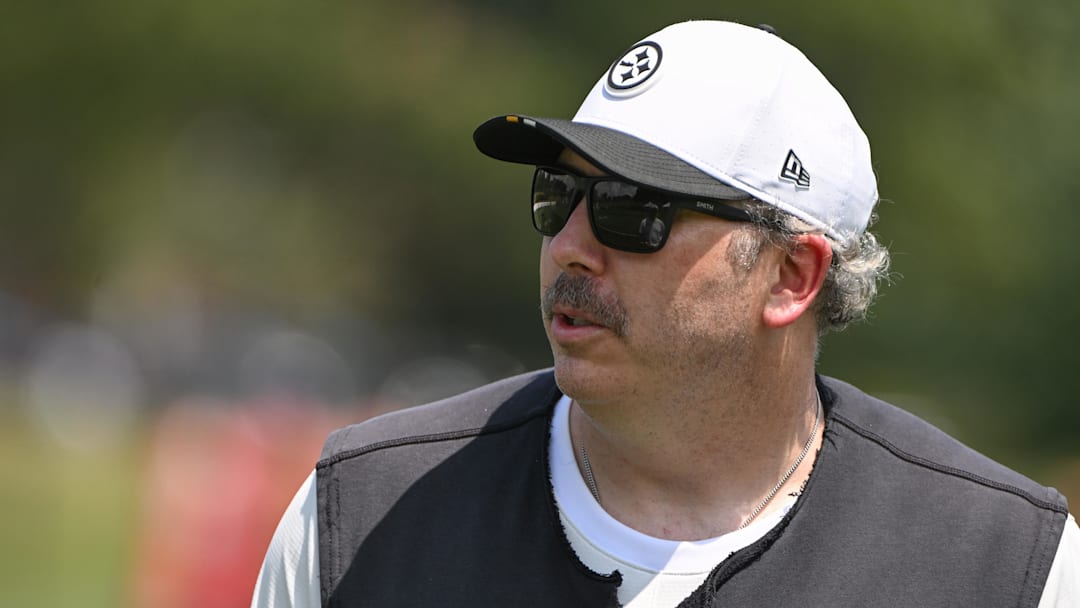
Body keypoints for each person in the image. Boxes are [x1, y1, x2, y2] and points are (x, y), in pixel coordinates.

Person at [252, 20, 1078, 607]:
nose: (571, 243)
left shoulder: (1001, 566)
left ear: (792, 275)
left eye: (631, 208)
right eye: (560, 193)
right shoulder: (360, 515)